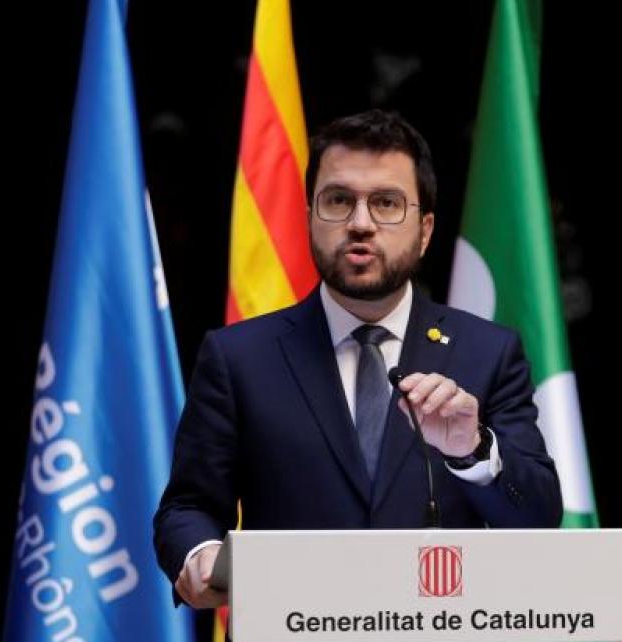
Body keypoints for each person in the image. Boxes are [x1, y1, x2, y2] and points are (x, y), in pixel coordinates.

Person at [154, 109, 562, 608]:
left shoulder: (488, 352)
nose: (360, 224)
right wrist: (200, 554)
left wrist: (472, 452)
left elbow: (538, 517)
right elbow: (188, 506)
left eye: (386, 203)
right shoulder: (238, 356)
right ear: (309, 217)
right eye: (338, 201)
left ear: (425, 230)